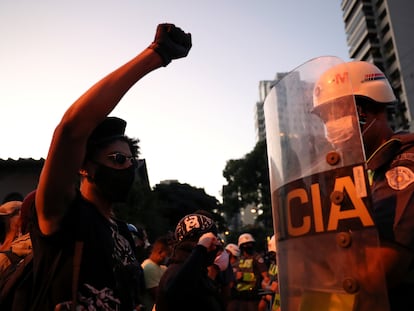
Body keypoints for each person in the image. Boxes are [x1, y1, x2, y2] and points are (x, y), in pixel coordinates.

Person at [29, 23, 192, 311]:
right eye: (117, 160)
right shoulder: (63, 212)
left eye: (131, 161)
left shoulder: (123, 232)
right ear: (83, 167)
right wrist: (157, 55)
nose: (128, 168)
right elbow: (71, 130)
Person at [314, 60, 414, 310]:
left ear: (364, 110)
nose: (329, 129)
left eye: (334, 114)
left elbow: (380, 269)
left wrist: (319, 293)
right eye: (324, 120)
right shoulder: (363, 172)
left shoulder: (405, 161)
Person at [155, 213, 222, 311]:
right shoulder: (177, 271)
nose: (217, 245)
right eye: (214, 240)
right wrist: (201, 249)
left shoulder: (195, 271)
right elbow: (176, 292)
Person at [227, 233, 270, 311]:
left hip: (253, 297)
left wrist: (243, 276)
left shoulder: (257, 258)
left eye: (250, 244)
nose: (248, 246)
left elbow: (265, 277)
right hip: (239, 296)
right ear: (241, 246)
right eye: (245, 245)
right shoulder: (239, 259)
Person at [141, 236, 171, 311]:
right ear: (160, 252)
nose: (169, 258)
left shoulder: (163, 267)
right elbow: (158, 295)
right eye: (168, 254)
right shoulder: (148, 267)